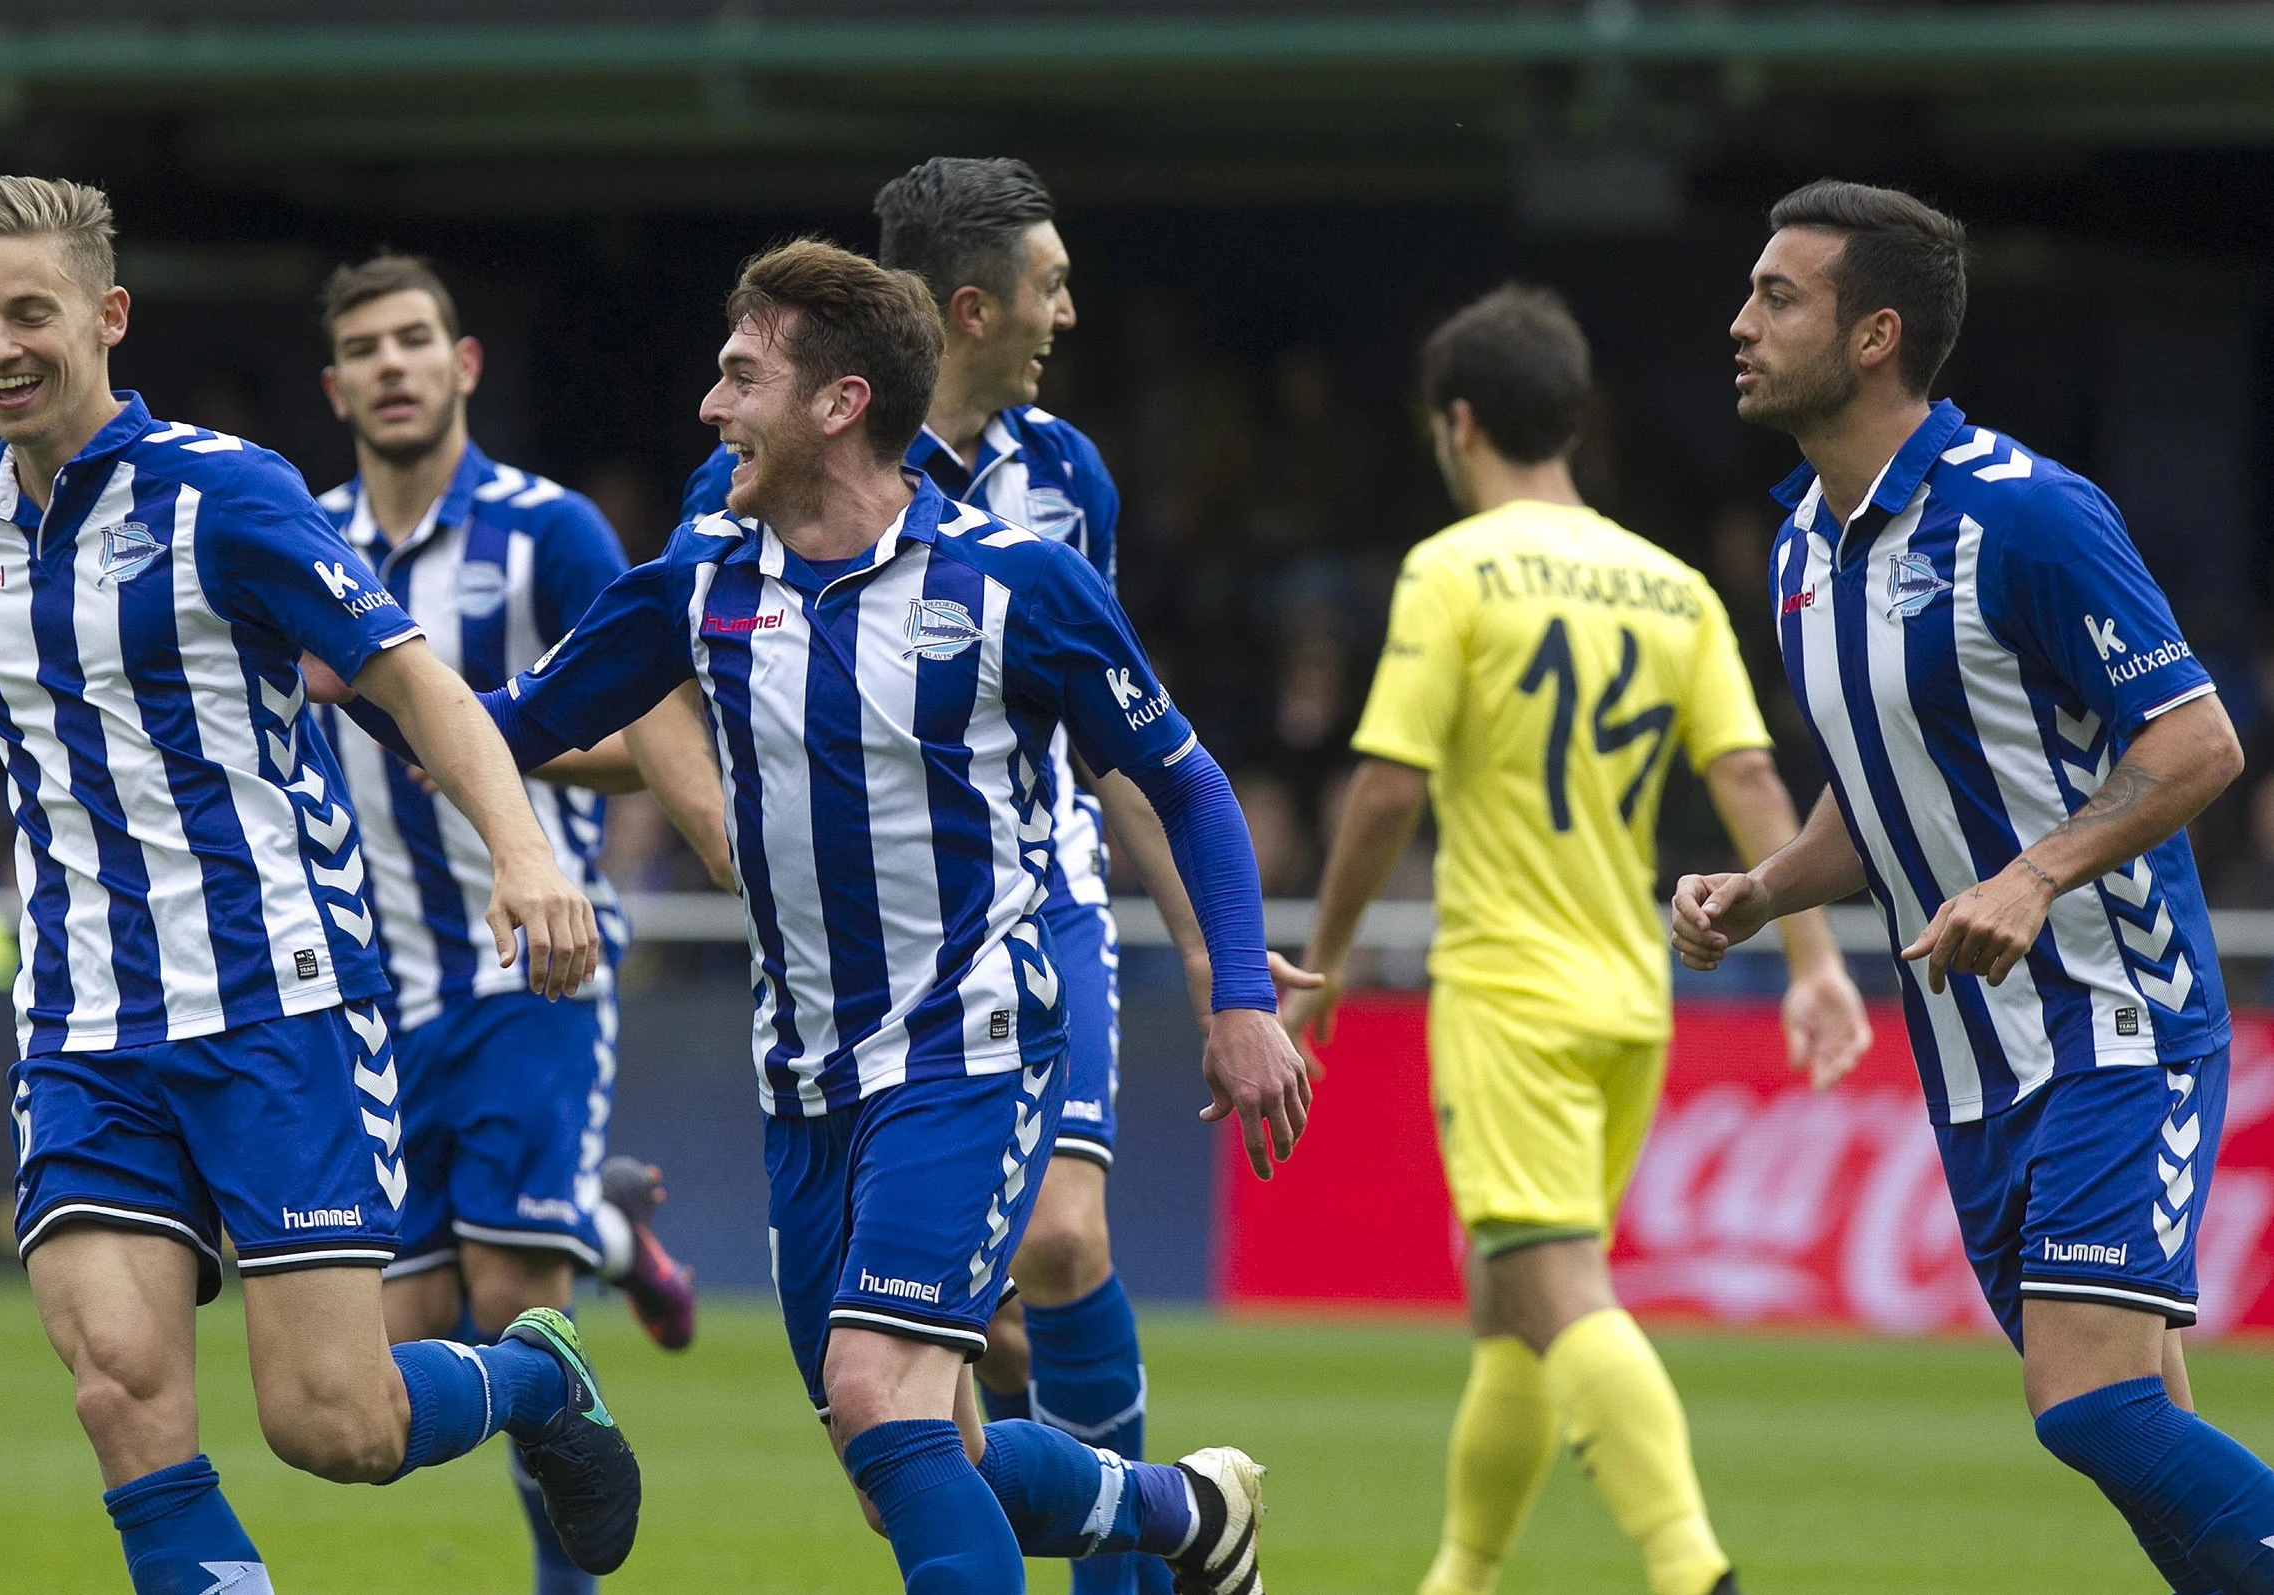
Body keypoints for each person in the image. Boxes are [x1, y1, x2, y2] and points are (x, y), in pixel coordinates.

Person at [0, 175, 643, 1595]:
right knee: (118, 1386)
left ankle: (533, 1376)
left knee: (332, 1426)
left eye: (29, 311)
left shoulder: (227, 495)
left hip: (278, 1003)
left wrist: (525, 854)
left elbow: (415, 682)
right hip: (83, 1028)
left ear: (105, 317)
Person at [358, 237, 1299, 1594]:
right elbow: (512, 724)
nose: (710, 407)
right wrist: (352, 679)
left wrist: (1239, 1000)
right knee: (911, 1459)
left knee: (877, 1386)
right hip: (805, 1077)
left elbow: (1187, 784)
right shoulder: (699, 581)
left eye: (740, 376)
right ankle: (1188, 1514)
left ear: (839, 402)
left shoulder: (1012, 586)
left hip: (968, 1045)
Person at [682, 166, 1305, 1595]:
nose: (1068, 312)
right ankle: (1185, 1515)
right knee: (909, 1442)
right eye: (1048, 284)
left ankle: (1134, 1578)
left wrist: (1218, 961)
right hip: (849, 973)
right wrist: (724, 809)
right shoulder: (762, 478)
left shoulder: (1063, 477)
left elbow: (1124, 747)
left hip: (1035, 910)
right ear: (968, 308)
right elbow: (654, 678)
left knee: (1066, 1238)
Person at [1676, 178, 2268, 1592]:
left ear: (1874, 334)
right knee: (2140, 1423)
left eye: (1777, 296)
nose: (1738, 321)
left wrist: (2036, 872)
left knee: (2091, 1402)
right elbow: (1880, 791)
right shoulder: (1800, 552)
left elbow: (2196, 740)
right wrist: (1763, 888)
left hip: (2114, 1018)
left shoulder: (2027, 516)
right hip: (1971, 1059)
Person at [1279, 284, 1870, 1595]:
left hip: (1507, 992)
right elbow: (1754, 785)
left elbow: (1384, 786)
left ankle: (1687, 1565)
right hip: (1627, 997)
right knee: (1505, 1310)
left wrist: (1317, 966)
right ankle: (1458, 1575)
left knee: (1552, 1293)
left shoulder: (1450, 569)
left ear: (1459, 422)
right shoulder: (1668, 587)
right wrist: (1816, 963)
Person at [307, 247, 725, 1595]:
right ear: (335, 385)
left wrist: (506, 748)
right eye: (365, 347)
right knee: (385, 1359)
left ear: (463, 363)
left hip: (527, 963)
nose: (392, 364)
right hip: (378, 991)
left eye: (415, 339)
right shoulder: (296, 543)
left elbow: (658, 722)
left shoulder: (548, 534)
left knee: (507, 1298)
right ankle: (605, 1230)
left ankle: (570, 1586)